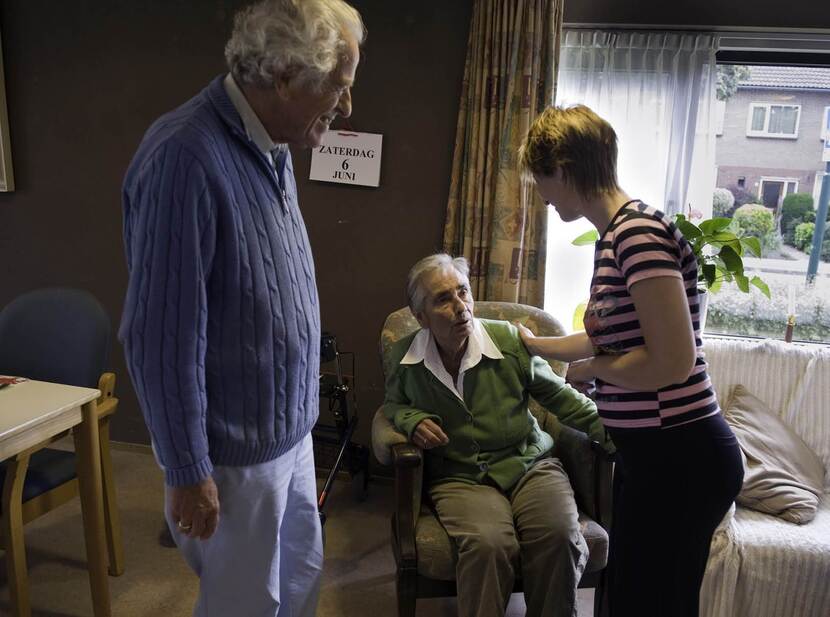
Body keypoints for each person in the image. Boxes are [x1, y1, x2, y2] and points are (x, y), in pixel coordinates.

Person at [118, 1, 364, 615]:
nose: (348, 105)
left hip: (291, 433)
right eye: (339, 86)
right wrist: (186, 468)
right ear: (282, 77)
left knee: (299, 583)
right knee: (245, 604)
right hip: (233, 458)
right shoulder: (185, 156)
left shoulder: (275, 146)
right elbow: (159, 337)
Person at [517, 105, 744, 617]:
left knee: (653, 601)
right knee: (628, 594)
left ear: (566, 168)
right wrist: (535, 345)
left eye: (542, 179)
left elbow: (672, 363)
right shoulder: (615, 236)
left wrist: (594, 372)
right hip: (653, 453)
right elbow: (606, 339)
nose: (542, 193)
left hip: (682, 455)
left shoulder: (637, 235)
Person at [382, 253, 614, 617]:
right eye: (444, 299)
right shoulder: (404, 358)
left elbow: (562, 399)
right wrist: (411, 419)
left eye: (463, 293)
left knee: (559, 536)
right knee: (489, 545)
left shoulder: (506, 341)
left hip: (530, 464)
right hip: (459, 476)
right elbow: (392, 406)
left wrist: (623, 437)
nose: (461, 308)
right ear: (420, 317)